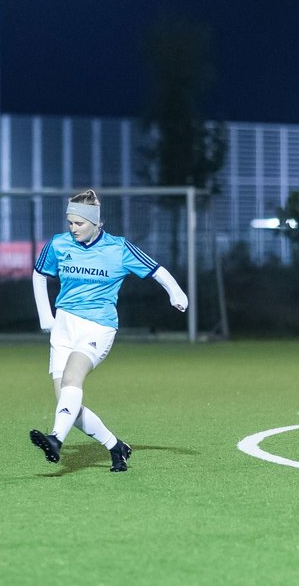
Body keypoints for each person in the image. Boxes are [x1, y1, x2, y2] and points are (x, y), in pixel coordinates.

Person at [29, 189, 188, 472]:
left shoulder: (119, 248)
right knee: (69, 405)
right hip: (63, 327)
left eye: (79, 223)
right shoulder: (58, 244)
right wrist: (47, 317)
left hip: (97, 327)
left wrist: (175, 292)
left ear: (96, 223)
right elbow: (39, 275)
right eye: (70, 222)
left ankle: (55, 439)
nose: (73, 228)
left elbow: (156, 269)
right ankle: (117, 446)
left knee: (72, 379)